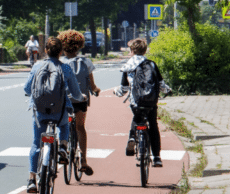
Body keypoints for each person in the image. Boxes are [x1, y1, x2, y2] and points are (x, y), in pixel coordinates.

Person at [24, 37, 87, 193]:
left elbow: (26, 89)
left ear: (45, 50)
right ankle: (63, 147)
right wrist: (82, 98)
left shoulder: (37, 66)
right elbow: (75, 93)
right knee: (65, 126)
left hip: (39, 111)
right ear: (60, 52)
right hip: (59, 112)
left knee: (35, 144)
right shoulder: (65, 68)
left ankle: (32, 179)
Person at [113, 38, 172, 167]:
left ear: (131, 51)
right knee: (153, 124)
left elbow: (123, 89)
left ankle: (132, 138)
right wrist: (168, 90)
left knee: (137, 116)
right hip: (151, 101)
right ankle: (156, 157)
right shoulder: (151, 64)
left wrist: (115, 92)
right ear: (145, 51)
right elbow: (161, 84)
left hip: (136, 101)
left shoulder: (128, 66)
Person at [57, 30, 101, 176]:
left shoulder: (60, 63)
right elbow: (92, 84)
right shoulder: (85, 61)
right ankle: (83, 161)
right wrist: (95, 90)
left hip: (64, 101)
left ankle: (62, 148)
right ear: (80, 45)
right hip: (80, 101)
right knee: (80, 127)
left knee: (62, 125)